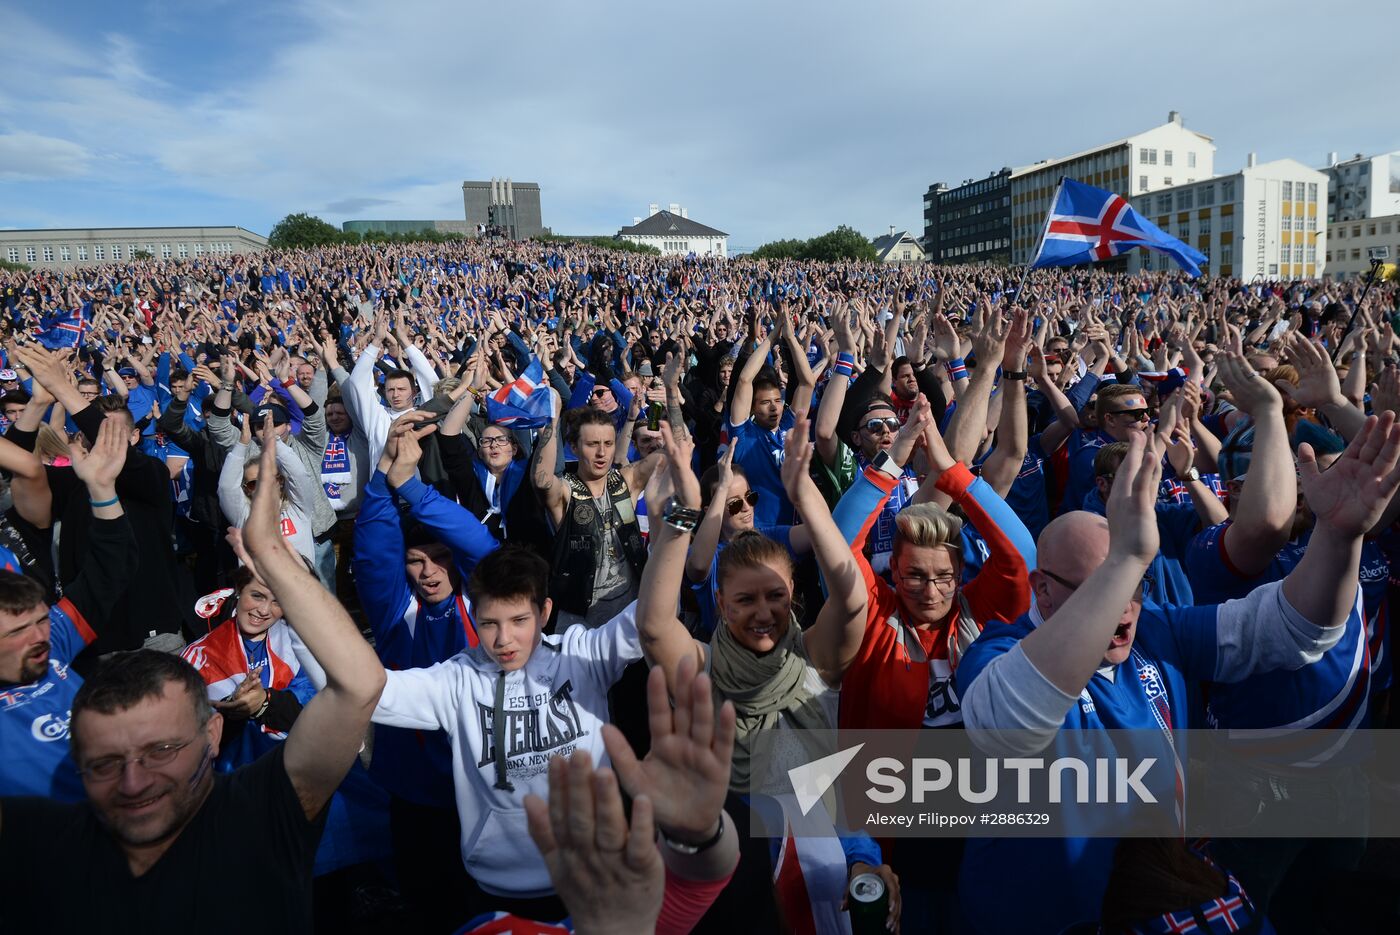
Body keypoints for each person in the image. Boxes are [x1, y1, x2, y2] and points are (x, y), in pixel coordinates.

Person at [954, 411, 1400, 934]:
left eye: (1137, 586)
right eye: (1098, 589)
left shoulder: (1156, 629)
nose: (1123, 608)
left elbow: (1291, 632)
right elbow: (1006, 722)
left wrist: (1338, 536)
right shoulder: (1001, 650)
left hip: (1151, 910)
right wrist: (1125, 560)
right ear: (1043, 589)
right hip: (1036, 918)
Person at [0, 419, 387, 933]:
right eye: (105, 761)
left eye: (161, 749)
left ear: (209, 732)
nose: (135, 779)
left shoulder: (246, 814)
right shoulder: (50, 847)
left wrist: (268, 555)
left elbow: (359, 683)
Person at [345, 540, 645, 924]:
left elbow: (651, 617)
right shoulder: (457, 680)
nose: (503, 640)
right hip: (495, 893)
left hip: (596, 878)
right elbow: (365, 687)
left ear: (545, 611)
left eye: (519, 620)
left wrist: (678, 522)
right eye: (489, 623)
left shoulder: (583, 655)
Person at [0, 419, 137, 799]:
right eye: (16, 633)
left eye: (41, 620)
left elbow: (109, 572)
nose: (39, 636)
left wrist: (102, 490)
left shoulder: (53, 639)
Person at [533, 397, 661, 628]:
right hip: (581, 621)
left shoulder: (627, 480)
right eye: (592, 444)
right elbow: (542, 480)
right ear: (574, 447)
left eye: (608, 444)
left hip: (631, 611)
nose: (602, 452)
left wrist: (669, 398)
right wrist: (553, 419)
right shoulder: (566, 490)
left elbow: (672, 454)